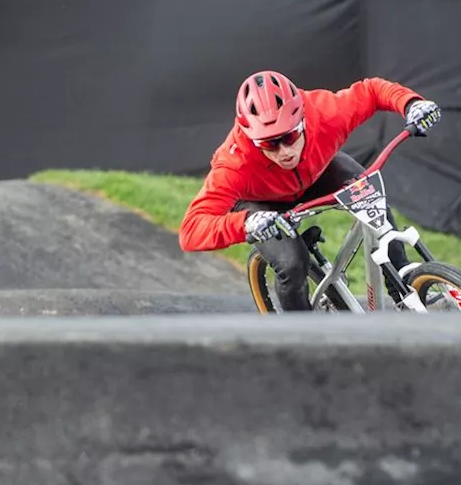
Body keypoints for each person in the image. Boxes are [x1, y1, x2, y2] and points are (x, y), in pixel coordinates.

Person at [178, 70, 442, 311]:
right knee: (292, 265)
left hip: (317, 172)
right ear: (250, 137)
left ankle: (406, 289)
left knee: (370, 193)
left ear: (303, 120)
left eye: (290, 137)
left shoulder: (326, 112)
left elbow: (372, 90)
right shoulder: (234, 163)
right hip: (261, 205)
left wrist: (410, 103)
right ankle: (305, 340)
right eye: (268, 144)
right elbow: (190, 231)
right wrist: (245, 224)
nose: (284, 152)